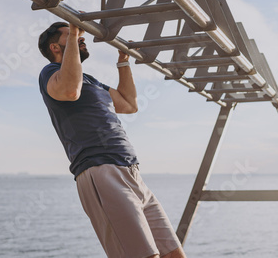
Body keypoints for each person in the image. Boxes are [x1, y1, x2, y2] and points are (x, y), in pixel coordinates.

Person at [38, 21, 187, 258]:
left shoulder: (91, 81)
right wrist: (76, 30)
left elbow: (129, 104)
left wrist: (123, 62)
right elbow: (69, 91)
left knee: (174, 254)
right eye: (72, 34)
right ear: (55, 47)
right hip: (100, 170)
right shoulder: (50, 73)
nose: (82, 37)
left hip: (131, 171)